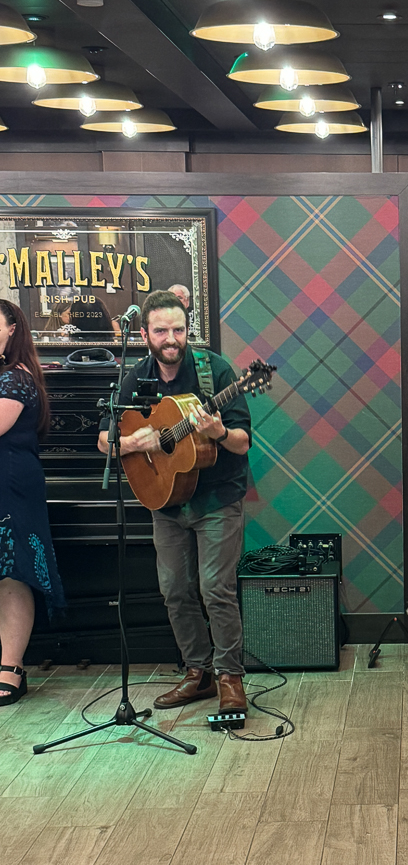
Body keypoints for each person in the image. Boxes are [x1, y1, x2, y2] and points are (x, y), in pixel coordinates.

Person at [97, 290, 251, 716]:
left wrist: (218, 432)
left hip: (217, 499)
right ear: (144, 332)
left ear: (188, 331)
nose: (171, 338)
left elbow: (242, 442)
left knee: (215, 589)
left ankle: (230, 677)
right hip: (165, 501)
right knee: (174, 591)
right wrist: (132, 441)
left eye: (178, 330)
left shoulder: (214, 372)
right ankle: (197, 672)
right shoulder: (136, 376)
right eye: (161, 330)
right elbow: (104, 439)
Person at [0, 300, 65, 705]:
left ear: (12, 331)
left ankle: (11, 667)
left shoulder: (16, 379)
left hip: (10, 485)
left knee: (12, 574)